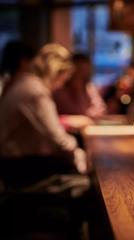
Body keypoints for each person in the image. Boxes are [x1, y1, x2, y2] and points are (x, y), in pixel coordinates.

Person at [0, 43, 88, 185]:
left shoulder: (25, 84)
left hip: (12, 165)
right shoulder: (36, 91)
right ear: (56, 72)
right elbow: (59, 140)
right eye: (64, 79)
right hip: (19, 168)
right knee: (89, 184)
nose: (60, 85)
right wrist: (81, 154)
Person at [53, 53, 106, 118]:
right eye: (79, 69)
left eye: (85, 70)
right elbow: (76, 111)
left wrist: (90, 114)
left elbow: (100, 108)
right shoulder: (59, 88)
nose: (81, 74)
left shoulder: (89, 87)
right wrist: (78, 90)